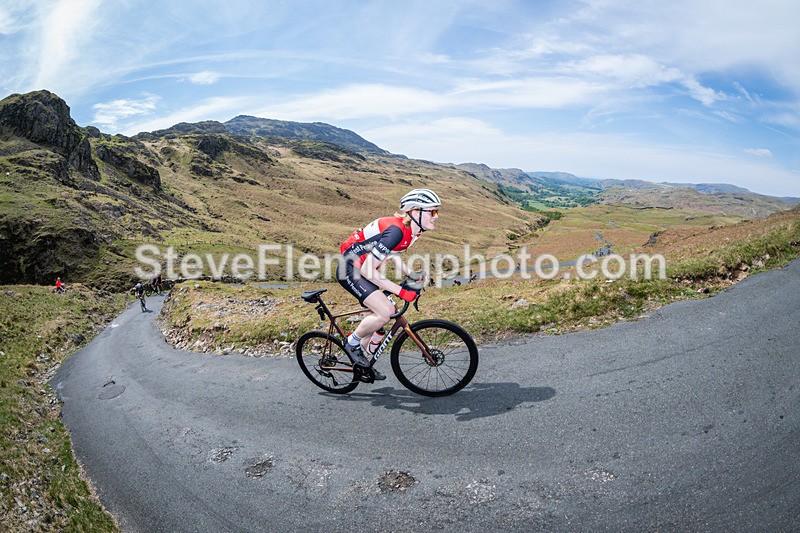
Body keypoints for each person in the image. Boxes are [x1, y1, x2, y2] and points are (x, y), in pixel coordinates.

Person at [337, 188, 441, 382]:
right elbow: (369, 271)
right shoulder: (396, 231)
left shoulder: (412, 232)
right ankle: (351, 343)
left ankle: (363, 365)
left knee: (378, 317)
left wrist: (410, 274)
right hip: (351, 270)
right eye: (432, 212)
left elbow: (393, 252)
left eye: (437, 211)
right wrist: (401, 291)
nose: (436, 216)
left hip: (363, 270)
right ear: (415, 211)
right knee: (385, 312)